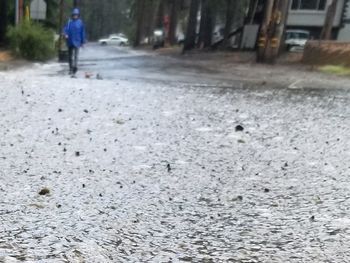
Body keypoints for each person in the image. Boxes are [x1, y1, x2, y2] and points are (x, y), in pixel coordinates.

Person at [63, 8, 85, 76]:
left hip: (77, 41)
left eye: (76, 15)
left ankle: (75, 67)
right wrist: (65, 34)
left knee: (76, 56)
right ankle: (70, 68)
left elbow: (82, 32)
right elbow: (65, 29)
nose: (75, 16)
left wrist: (82, 42)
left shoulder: (80, 23)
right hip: (70, 41)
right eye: (74, 15)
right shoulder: (69, 22)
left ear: (78, 15)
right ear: (72, 15)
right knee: (70, 56)